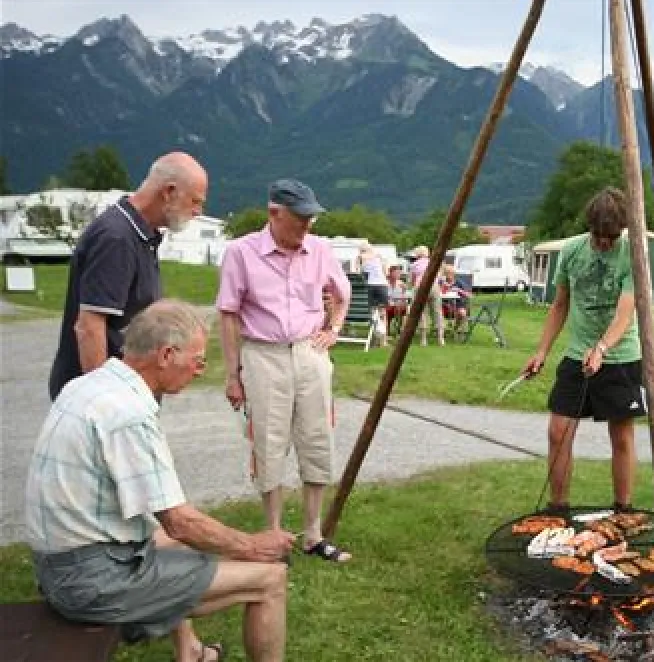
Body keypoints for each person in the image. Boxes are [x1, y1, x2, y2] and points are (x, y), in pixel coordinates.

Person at [26, 299, 294, 662]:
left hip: (60, 564)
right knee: (270, 578)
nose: (200, 370)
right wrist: (253, 546)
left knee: (178, 545)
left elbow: (169, 524)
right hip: (89, 581)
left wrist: (226, 542)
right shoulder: (128, 413)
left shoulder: (88, 385)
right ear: (167, 354)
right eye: (198, 360)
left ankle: (191, 653)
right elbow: (180, 521)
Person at [216, 179, 353, 563]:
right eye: (300, 220)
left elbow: (342, 293)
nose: (307, 227)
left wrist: (334, 329)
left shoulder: (320, 250)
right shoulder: (241, 253)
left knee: (316, 438)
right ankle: (274, 536)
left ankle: (313, 534)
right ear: (274, 214)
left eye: (311, 219)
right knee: (269, 441)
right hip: (263, 355)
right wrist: (233, 374)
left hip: (309, 352)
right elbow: (228, 314)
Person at [521, 187, 646, 513]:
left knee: (621, 437)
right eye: (599, 235)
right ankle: (558, 508)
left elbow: (625, 311)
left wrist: (602, 348)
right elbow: (560, 305)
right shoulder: (572, 252)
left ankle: (623, 509)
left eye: (612, 236)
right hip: (577, 355)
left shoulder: (632, 253)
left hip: (621, 357)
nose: (605, 242)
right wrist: (542, 352)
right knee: (558, 431)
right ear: (589, 226)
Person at [48, 151, 209, 401]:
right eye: (194, 201)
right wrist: (104, 400)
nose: (198, 211)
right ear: (168, 191)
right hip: (104, 399)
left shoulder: (142, 234)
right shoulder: (117, 238)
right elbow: (90, 326)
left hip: (129, 392)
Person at [409, 245, 445, 346]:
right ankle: (440, 338)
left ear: (417, 254)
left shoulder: (414, 265)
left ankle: (423, 339)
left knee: (422, 313)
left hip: (420, 287)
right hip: (434, 287)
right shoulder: (435, 263)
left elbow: (411, 281)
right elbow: (441, 278)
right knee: (437, 312)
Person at [358, 244, 390, 347]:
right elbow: (386, 272)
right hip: (382, 285)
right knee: (382, 313)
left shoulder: (360, 257)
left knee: (372, 313)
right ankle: (383, 341)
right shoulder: (379, 256)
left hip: (370, 286)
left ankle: (374, 339)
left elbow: (359, 273)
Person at [441, 264, 472, 332]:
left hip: (458, 305)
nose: (449, 276)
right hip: (444, 306)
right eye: (447, 274)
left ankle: (455, 328)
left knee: (462, 313)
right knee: (435, 310)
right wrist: (444, 287)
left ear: (453, 274)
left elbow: (469, 295)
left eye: (450, 273)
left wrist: (458, 290)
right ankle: (440, 331)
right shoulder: (442, 283)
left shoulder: (459, 283)